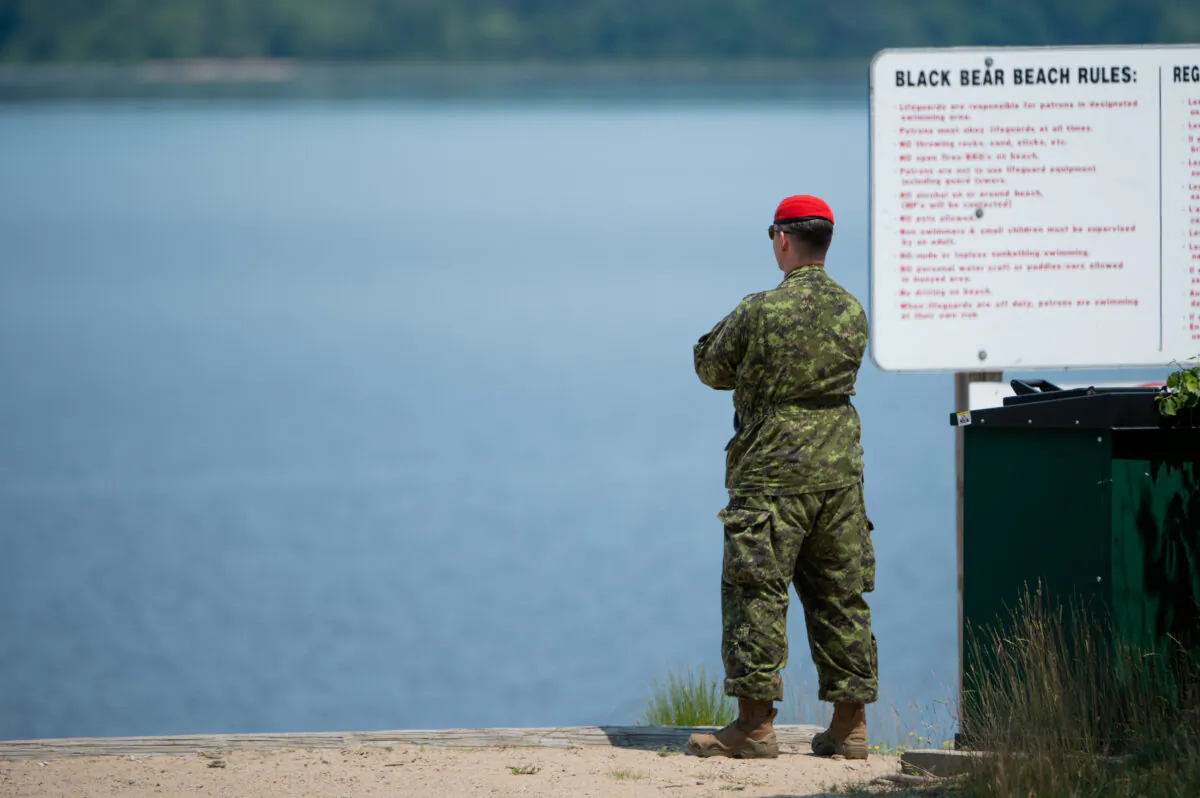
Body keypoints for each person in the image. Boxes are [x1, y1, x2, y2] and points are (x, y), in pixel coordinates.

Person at [685, 195, 878, 760]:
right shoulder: (853, 311)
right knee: (841, 595)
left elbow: (708, 365)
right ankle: (851, 728)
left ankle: (754, 727)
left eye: (772, 233)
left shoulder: (759, 311)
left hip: (772, 474)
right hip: (840, 474)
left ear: (785, 240)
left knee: (756, 595)